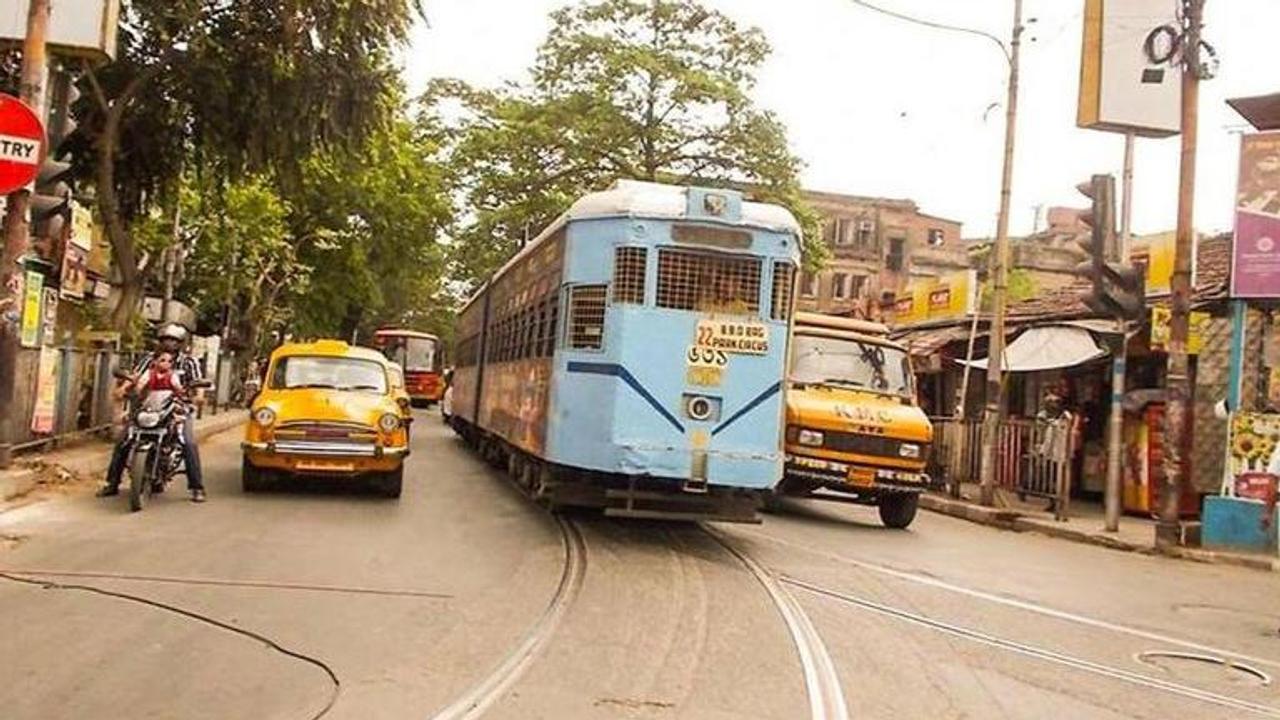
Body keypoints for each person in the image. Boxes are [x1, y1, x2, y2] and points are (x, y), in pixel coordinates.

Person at [98, 324, 208, 503]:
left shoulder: (189, 362)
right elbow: (136, 377)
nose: (169, 343)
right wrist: (123, 389)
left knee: (188, 442)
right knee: (123, 440)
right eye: (165, 339)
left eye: (173, 340)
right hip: (147, 407)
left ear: (181, 343)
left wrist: (199, 396)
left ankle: (197, 487)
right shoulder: (149, 359)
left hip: (177, 408)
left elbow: (197, 383)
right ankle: (112, 483)